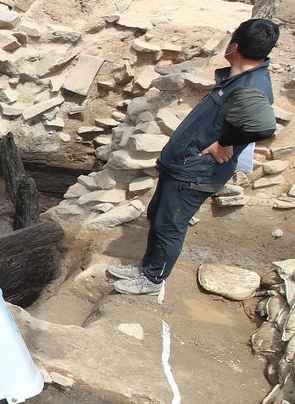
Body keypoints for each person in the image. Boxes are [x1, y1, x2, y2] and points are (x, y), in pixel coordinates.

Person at [109, 18, 280, 296]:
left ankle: (152, 280)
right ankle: (146, 266)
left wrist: (225, 142)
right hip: (182, 164)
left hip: (196, 171)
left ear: (234, 46)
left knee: (170, 225)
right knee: (161, 217)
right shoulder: (239, 78)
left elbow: (262, 126)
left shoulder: (250, 86)